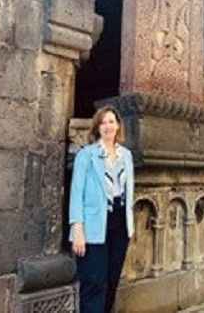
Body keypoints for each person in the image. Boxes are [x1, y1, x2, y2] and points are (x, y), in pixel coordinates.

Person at [69, 105, 135, 313]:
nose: (107, 126)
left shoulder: (126, 155)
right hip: (93, 225)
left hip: (119, 222)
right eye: (103, 122)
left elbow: (128, 192)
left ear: (118, 126)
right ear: (97, 128)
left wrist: (130, 226)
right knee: (93, 281)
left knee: (112, 280)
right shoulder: (86, 155)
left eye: (111, 122)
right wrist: (77, 229)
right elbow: (76, 193)